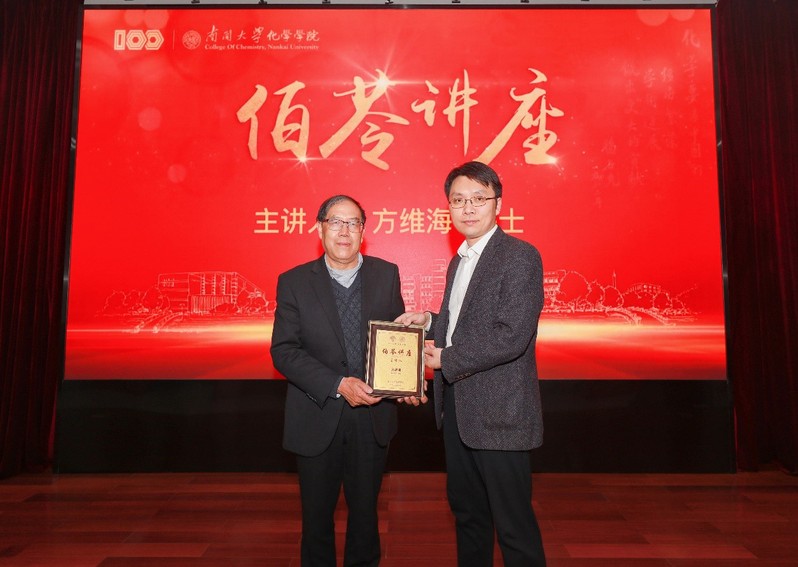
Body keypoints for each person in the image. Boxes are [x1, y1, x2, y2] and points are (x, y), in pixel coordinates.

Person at [396, 161, 546, 566]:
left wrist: (446, 358)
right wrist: (428, 321)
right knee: (469, 518)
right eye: (458, 200)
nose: (468, 208)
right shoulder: (460, 260)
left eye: (478, 198)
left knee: (514, 528)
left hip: (501, 417)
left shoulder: (519, 257)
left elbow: (511, 335)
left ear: (498, 203)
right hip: (460, 414)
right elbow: (462, 323)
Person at [271, 194, 405, 567]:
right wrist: (338, 384)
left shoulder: (386, 274)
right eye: (336, 222)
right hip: (316, 414)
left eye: (353, 223)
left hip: (372, 417)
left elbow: (395, 341)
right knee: (316, 522)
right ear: (320, 229)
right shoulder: (294, 281)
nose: (344, 231)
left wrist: (404, 383)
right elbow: (284, 351)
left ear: (363, 231)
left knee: (366, 518)